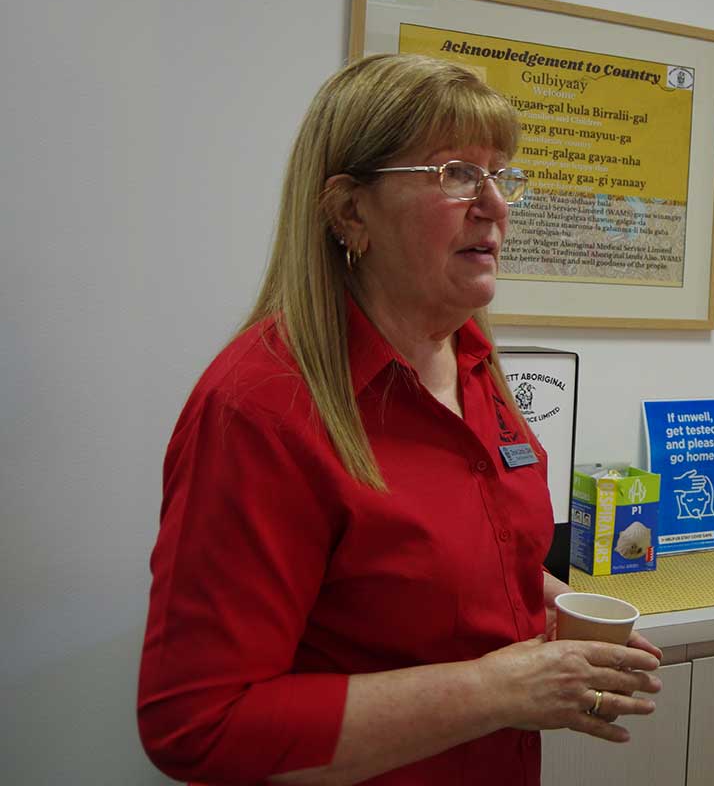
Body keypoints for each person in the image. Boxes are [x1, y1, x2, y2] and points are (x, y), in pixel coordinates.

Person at [137, 53, 662, 786]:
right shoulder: (259, 409)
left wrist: (552, 609)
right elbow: (200, 726)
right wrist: (496, 691)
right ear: (351, 212)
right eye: (457, 174)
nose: (495, 204)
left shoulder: (473, 360)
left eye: (500, 174)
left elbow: (446, 562)